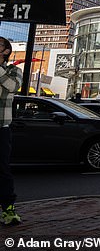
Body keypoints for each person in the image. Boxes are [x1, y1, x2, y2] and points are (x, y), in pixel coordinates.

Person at [0, 37, 23, 225]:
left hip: (1, 128)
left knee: (2, 170)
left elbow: (12, 86)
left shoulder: (14, 70)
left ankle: (8, 209)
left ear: (6, 51)